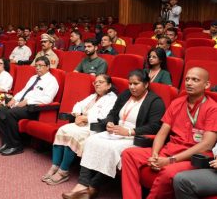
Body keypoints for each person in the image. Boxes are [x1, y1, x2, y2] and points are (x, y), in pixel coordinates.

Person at [63, 69, 166, 199]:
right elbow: (113, 113)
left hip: (134, 136)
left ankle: (93, 187)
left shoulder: (155, 101)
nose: (132, 87)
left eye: (136, 84)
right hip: (116, 131)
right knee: (91, 140)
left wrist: (130, 131)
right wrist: (109, 122)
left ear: (146, 84)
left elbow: (155, 127)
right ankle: (83, 184)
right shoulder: (125, 95)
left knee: (111, 150)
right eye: (130, 84)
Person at [121, 67, 217, 199]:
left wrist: (170, 161)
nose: (189, 83)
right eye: (187, 79)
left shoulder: (213, 108)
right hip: (170, 149)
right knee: (129, 154)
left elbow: (206, 145)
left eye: (195, 80)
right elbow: (162, 133)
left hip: (193, 156)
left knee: (168, 171)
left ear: (206, 85)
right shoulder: (177, 103)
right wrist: (155, 154)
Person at [42, 74, 117, 185]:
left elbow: (105, 117)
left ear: (109, 85)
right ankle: (55, 166)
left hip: (94, 127)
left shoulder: (112, 99)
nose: (97, 84)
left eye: (100, 82)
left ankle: (63, 171)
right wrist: (77, 114)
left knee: (73, 134)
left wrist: (85, 118)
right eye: (95, 82)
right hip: (82, 122)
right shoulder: (93, 96)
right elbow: (78, 104)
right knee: (62, 130)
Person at [0, 56, 59, 156]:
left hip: (35, 109)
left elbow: (47, 99)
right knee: (1, 110)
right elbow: (24, 90)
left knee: (11, 113)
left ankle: (16, 146)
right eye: (36, 65)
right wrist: (14, 99)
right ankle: (7, 143)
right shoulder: (33, 78)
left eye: (40, 66)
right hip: (21, 104)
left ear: (48, 67)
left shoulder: (52, 81)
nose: (37, 68)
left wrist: (28, 101)